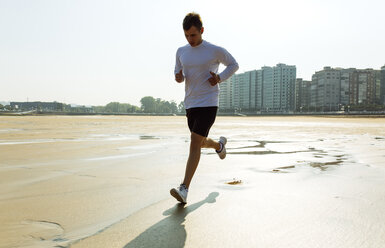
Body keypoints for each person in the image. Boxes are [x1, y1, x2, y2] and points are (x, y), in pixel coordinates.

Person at [170, 12, 239, 204]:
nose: (190, 39)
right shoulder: (180, 51)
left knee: (194, 141)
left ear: (201, 30)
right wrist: (178, 77)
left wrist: (219, 77)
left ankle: (184, 188)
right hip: (190, 103)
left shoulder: (214, 50)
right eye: (186, 35)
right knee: (199, 143)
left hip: (209, 102)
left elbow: (234, 64)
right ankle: (219, 146)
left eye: (193, 35)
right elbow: (178, 72)